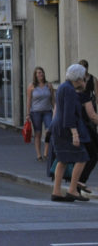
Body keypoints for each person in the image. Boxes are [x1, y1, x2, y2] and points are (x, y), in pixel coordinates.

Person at [51, 63, 90, 202]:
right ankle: (72, 190)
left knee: (62, 159)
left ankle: (56, 191)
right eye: (83, 78)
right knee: (82, 157)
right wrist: (75, 133)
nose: (84, 80)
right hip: (66, 128)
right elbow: (69, 114)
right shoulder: (70, 90)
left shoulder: (63, 87)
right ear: (78, 78)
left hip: (58, 127)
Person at [76, 59, 98, 195]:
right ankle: (79, 181)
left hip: (76, 128)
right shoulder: (84, 96)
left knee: (81, 156)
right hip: (86, 128)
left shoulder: (67, 92)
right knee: (92, 155)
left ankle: (76, 185)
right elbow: (92, 116)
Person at [26, 66, 55, 162]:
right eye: (38, 73)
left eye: (41, 72)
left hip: (47, 111)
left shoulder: (49, 85)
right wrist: (27, 114)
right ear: (35, 75)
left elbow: (52, 99)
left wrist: (55, 109)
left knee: (49, 131)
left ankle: (46, 152)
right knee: (38, 133)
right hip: (35, 112)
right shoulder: (31, 86)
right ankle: (39, 155)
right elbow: (29, 100)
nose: (40, 74)